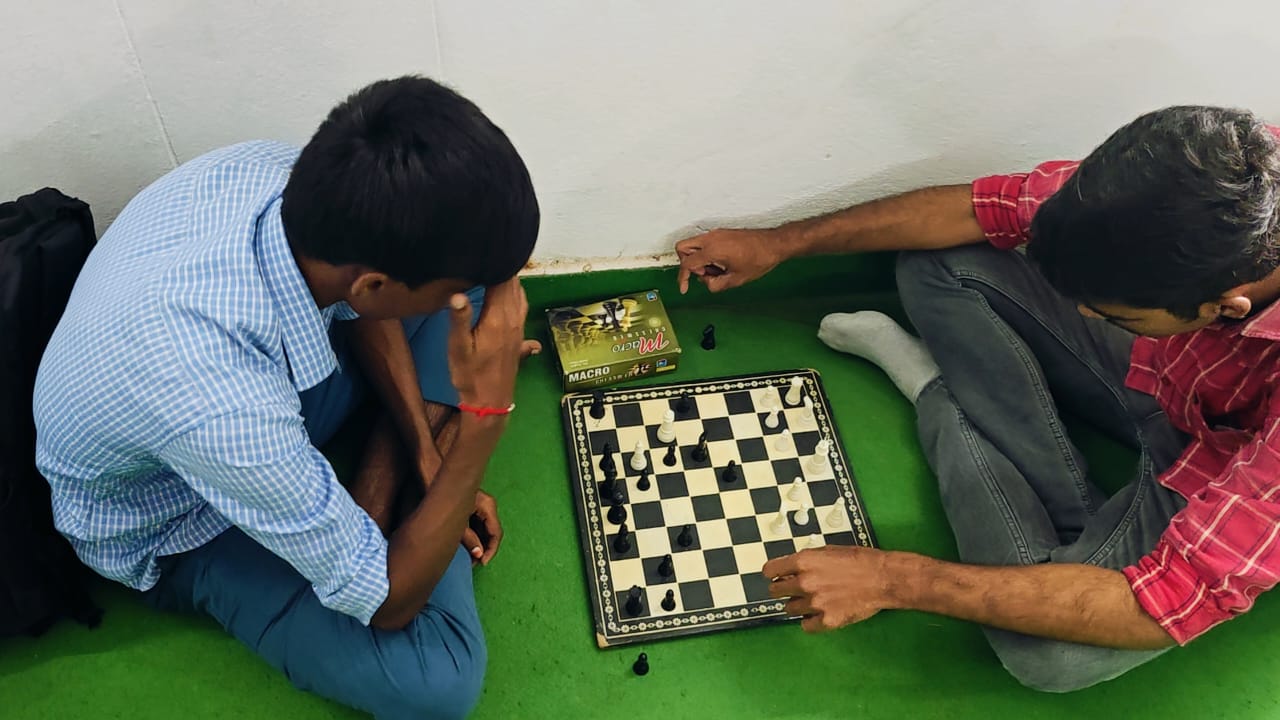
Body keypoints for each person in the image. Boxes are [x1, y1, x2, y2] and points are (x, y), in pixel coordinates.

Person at [675, 105, 1280, 692]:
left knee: (1051, 656)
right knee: (939, 259)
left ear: (1226, 307)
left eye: (1117, 314)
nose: (1082, 315)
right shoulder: (1215, 177)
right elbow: (982, 209)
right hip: (1178, 381)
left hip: (1233, 466)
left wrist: (894, 578)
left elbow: (1171, 597)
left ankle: (932, 389)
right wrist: (779, 243)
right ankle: (1072, 537)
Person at [33, 76, 540, 719]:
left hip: (254, 393)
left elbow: (362, 307)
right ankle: (377, 521)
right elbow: (390, 607)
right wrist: (480, 423)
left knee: (476, 298)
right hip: (179, 518)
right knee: (437, 681)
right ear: (374, 284)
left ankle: (375, 496)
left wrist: (427, 458)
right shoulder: (222, 405)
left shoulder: (278, 170)